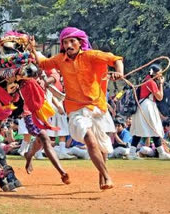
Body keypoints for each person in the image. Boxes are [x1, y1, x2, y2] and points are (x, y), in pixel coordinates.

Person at [30, 27, 124, 189]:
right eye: (65, 42)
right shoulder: (59, 59)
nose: (69, 45)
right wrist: (32, 48)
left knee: (102, 147)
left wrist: (119, 73)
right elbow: (43, 63)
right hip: (76, 109)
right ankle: (108, 177)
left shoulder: (91, 55)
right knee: (90, 140)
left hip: (97, 107)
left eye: (72, 41)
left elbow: (116, 59)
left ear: (80, 43)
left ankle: (102, 176)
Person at [129, 64, 170, 160]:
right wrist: (161, 84)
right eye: (159, 73)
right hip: (147, 106)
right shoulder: (151, 82)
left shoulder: (145, 80)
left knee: (141, 130)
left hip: (143, 106)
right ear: (154, 73)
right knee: (155, 129)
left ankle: (132, 153)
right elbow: (160, 97)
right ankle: (161, 153)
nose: (160, 75)